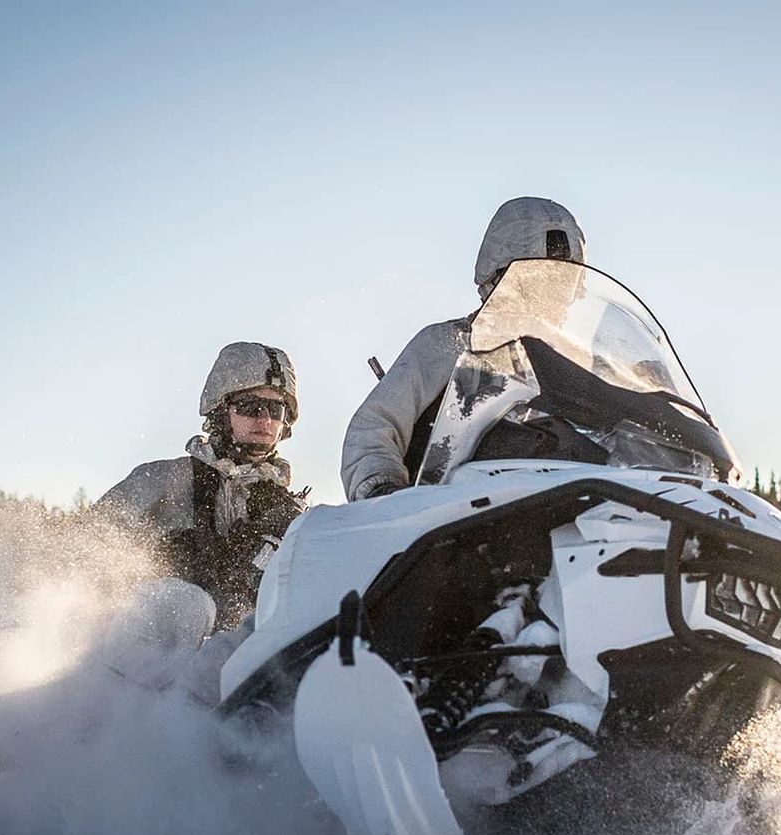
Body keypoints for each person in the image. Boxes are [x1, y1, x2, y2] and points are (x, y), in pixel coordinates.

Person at [340, 196, 586, 501]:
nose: (557, 295)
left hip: (573, 518)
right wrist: (382, 491)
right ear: (499, 277)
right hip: (453, 525)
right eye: (543, 281)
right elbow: (372, 430)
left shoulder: (581, 366)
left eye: (566, 282)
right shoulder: (448, 346)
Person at [98, 342, 308, 632]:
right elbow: (87, 549)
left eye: (276, 409)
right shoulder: (163, 480)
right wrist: (157, 572)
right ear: (221, 411)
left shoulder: (292, 514)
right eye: (250, 407)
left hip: (243, 663)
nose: (265, 419)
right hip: (146, 659)